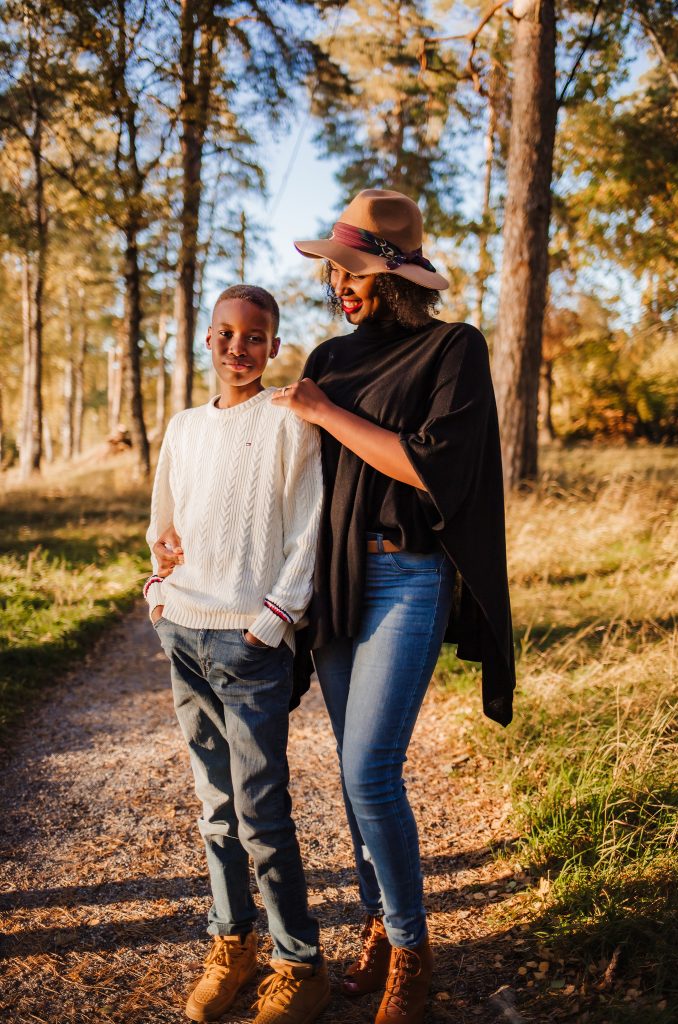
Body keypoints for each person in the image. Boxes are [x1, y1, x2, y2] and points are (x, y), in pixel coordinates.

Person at [270, 188, 517, 1024]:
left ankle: (411, 949)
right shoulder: (328, 356)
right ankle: (376, 924)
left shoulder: (454, 349)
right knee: (351, 772)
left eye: (357, 271)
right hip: (339, 579)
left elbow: (434, 469)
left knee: (370, 768)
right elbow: (293, 484)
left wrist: (322, 411)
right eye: (337, 270)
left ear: (396, 275)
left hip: (409, 578)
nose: (341, 283)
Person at [143, 284, 329, 1024]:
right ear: (207, 339)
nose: (237, 347)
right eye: (224, 333)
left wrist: (273, 620)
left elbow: (308, 528)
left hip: (249, 641)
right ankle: (233, 940)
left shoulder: (288, 422)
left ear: (274, 346)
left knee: (260, 808)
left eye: (254, 336)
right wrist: (159, 591)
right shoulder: (185, 427)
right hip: (183, 629)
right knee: (214, 808)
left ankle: (298, 961)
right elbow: (164, 521)